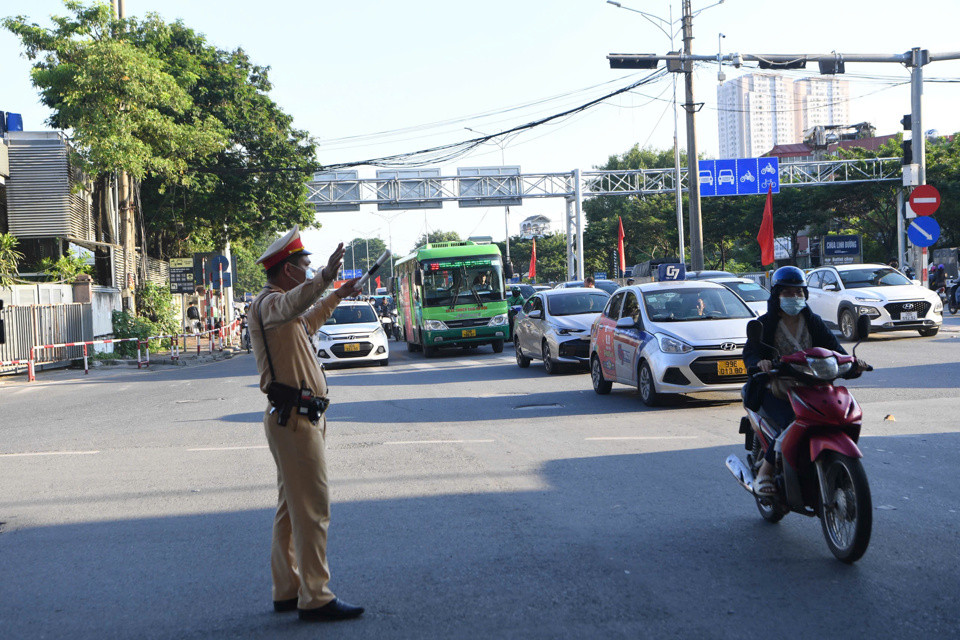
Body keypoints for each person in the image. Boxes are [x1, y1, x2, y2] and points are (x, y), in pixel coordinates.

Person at [248, 225, 365, 622]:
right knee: (313, 508)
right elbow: (296, 305)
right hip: (294, 420)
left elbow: (307, 321)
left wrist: (335, 295)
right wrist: (325, 279)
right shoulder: (271, 305)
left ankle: (287, 588)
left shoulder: (284, 310)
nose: (308, 268)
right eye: (304, 264)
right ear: (287, 271)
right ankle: (315, 596)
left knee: (290, 507)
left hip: (298, 418)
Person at [742, 266, 865, 495]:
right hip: (775, 388)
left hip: (813, 387)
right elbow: (751, 353)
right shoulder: (765, 323)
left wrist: (853, 363)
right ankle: (765, 473)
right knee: (791, 420)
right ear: (777, 295)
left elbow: (835, 350)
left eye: (798, 293)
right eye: (788, 293)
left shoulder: (813, 321)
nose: (794, 297)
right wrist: (760, 363)